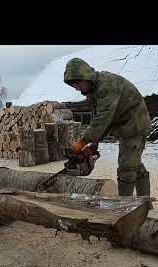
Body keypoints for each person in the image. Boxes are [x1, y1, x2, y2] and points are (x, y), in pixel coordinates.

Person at [64, 58, 151, 196]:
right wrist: (94, 144)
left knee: (127, 168)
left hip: (135, 125)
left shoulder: (107, 85)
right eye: (74, 86)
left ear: (86, 77)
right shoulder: (93, 91)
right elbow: (101, 118)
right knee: (134, 164)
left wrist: (83, 141)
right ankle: (145, 203)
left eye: (78, 84)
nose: (77, 88)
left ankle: (123, 208)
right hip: (123, 126)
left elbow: (103, 118)